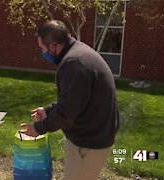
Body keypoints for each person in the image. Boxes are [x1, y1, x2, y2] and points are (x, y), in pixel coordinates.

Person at [20, 20, 120, 180]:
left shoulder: (74, 64)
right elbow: (75, 99)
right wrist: (48, 111)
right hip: (90, 134)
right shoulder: (78, 53)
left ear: (53, 46)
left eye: (43, 48)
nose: (43, 52)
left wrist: (38, 128)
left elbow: (67, 112)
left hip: (89, 142)